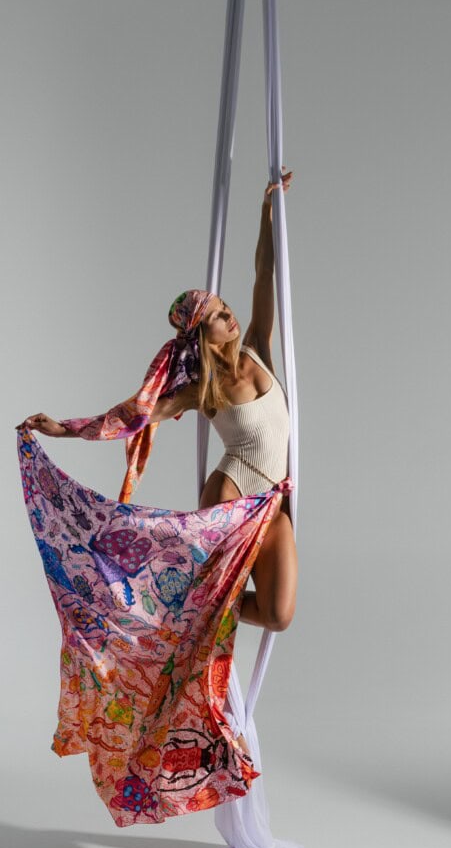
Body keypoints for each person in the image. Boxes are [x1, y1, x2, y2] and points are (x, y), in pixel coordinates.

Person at [18, 171, 297, 651]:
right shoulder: (202, 389)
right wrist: (63, 429)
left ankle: (188, 606)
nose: (229, 315)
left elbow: (264, 274)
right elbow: (134, 416)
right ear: (201, 334)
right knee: (231, 599)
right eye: (216, 316)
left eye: (225, 307)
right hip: (231, 494)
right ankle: (189, 607)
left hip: (272, 499)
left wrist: (268, 212)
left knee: (277, 614)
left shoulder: (257, 348)